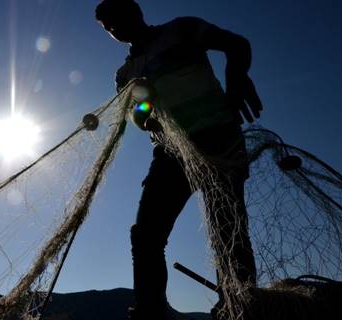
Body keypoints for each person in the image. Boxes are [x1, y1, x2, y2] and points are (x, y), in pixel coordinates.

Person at [95, 1, 262, 319]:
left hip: (218, 140)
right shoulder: (126, 73)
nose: (115, 30)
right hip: (171, 153)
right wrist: (146, 113)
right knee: (146, 235)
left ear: (136, 12)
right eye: (108, 29)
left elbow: (236, 45)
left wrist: (237, 81)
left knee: (227, 229)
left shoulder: (182, 29)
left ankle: (239, 306)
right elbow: (137, 114)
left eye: (117, 20)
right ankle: (150, 310)